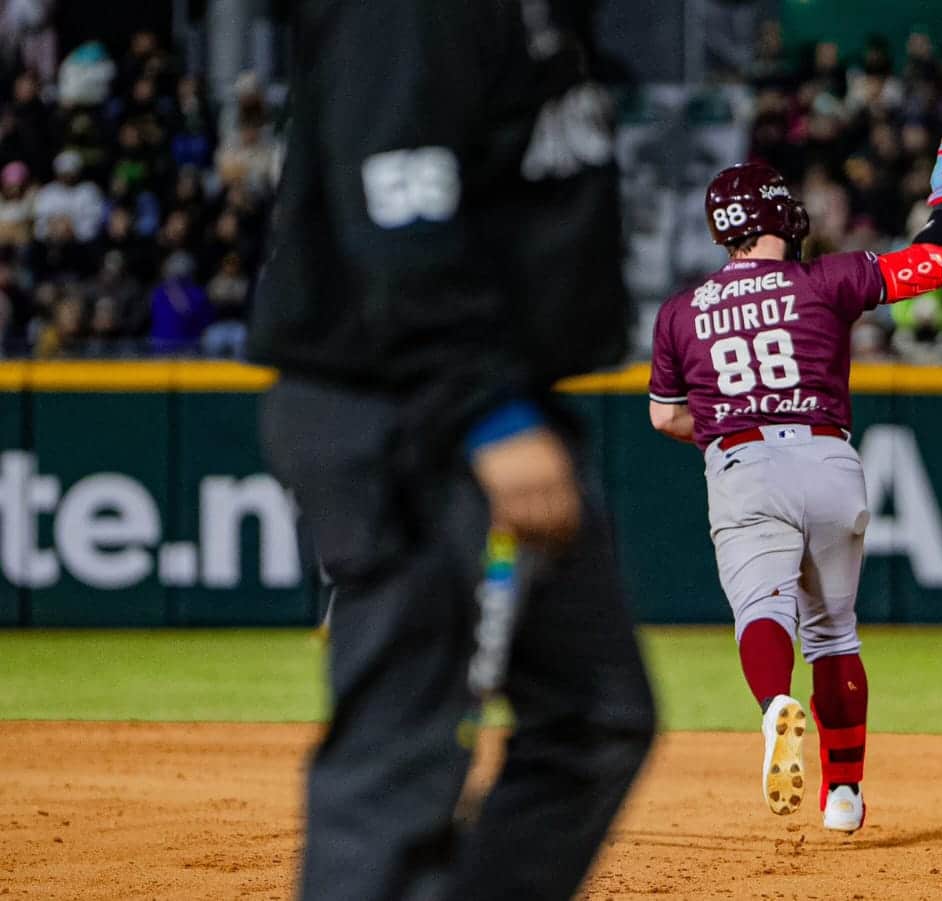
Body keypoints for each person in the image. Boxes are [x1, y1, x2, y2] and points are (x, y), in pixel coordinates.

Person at [249, 3, 655, 900]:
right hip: (411, 400)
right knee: (401, 753)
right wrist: (489, 414)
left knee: (596, 720)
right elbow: (395, 204)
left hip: (494, 387)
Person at [647, 138, 942, 834]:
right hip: (830, 459)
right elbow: (939, 262)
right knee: (833, 635)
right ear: (781, 215)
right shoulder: (826, 279)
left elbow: (665, 415)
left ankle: (774, 707)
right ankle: (844, 796)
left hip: (744, 461)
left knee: (762, 612)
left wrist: (723, 421)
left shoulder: (681, 311)